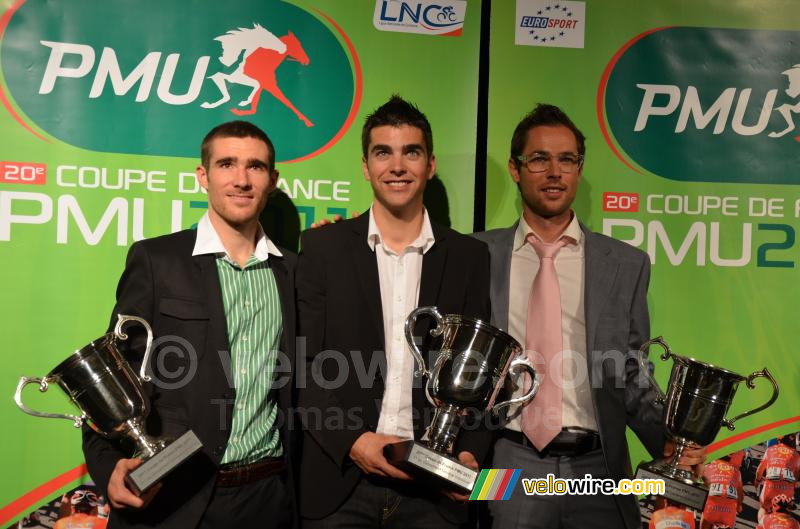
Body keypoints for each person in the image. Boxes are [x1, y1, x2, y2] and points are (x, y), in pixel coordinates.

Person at [473, 103, 705, 529]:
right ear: (515, 168)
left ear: (579, 168)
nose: (555, 172)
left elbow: (632, 371)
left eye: (567, 159)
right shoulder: (475, 255)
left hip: (598, 471)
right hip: (507, 462)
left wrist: (672, 443)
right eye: (539, 159)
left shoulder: (625, 264)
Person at [82, 121, 296, 529]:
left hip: (268, 499)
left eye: (256, 167)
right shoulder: (156, 261)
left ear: (272, 180)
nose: (241, 179)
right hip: (174, 494)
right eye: (227, 164)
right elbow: (113, 381)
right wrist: (108, 465)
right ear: (204, 176)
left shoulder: (294, 271)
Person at [296, 95, 492, 528]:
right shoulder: (321, 249)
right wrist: (352, 440)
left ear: (431, 164)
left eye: (411, 152)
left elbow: (479, 372)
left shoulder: (468, 257)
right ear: (366, 167)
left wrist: (468, 453)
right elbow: (300, 366)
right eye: (383, 152)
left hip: (433, 493)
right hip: (339, 484)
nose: (397, 166)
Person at [756, 435, 800, 521]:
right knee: (784, 513)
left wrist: (757, 480)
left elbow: (759, 470)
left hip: (770, 487)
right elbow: (796, 475)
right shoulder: (796, 455)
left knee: (764, 508)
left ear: (779, 440)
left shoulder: (770, 450)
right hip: (787, 490)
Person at [700, 455, 744, 529]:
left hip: (711, 508)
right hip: (729, 511)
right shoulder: (737, 472)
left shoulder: (707, 467)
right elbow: (740, 494)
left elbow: (700, 486)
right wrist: (739, 506)